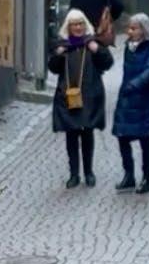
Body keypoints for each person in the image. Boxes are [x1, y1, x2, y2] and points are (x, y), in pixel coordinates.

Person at [48, 9, 114, 188]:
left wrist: (97, 50)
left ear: (85, 25)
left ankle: (89, 172)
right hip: (67, 95)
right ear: (68, 27)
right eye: (74, 25)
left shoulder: (92, 43)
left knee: (87, 133)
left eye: (80, 24)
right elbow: (53, 68)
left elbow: (107, 63)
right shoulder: (62, 45)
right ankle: (74, 174)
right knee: (71, 134)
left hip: (89, 94)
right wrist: (58, 54)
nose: (78, 28)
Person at [112, 12, 149, 195]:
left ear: (144, 30)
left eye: (133, 28)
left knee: (145, 139)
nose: (129, 31)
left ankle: (146, 176)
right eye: (129, 28)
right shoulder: (129, 47)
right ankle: (129, 174)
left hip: (145, 99)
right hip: (128, 98)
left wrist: (136, 84)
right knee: (122, 136)